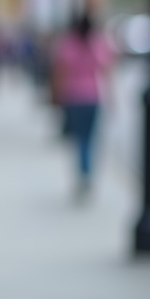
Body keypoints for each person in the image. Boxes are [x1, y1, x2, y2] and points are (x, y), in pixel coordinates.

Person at [50, 13, 112, 196]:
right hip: (93, 97)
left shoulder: (68, 44)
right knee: (90, 139)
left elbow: (60, 71)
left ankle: (83, 174)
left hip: (73, 97)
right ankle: (87, 173)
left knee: (80, 139)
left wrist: (56, 93)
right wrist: (111, 98)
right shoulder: (97, 43)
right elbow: (106, 69)